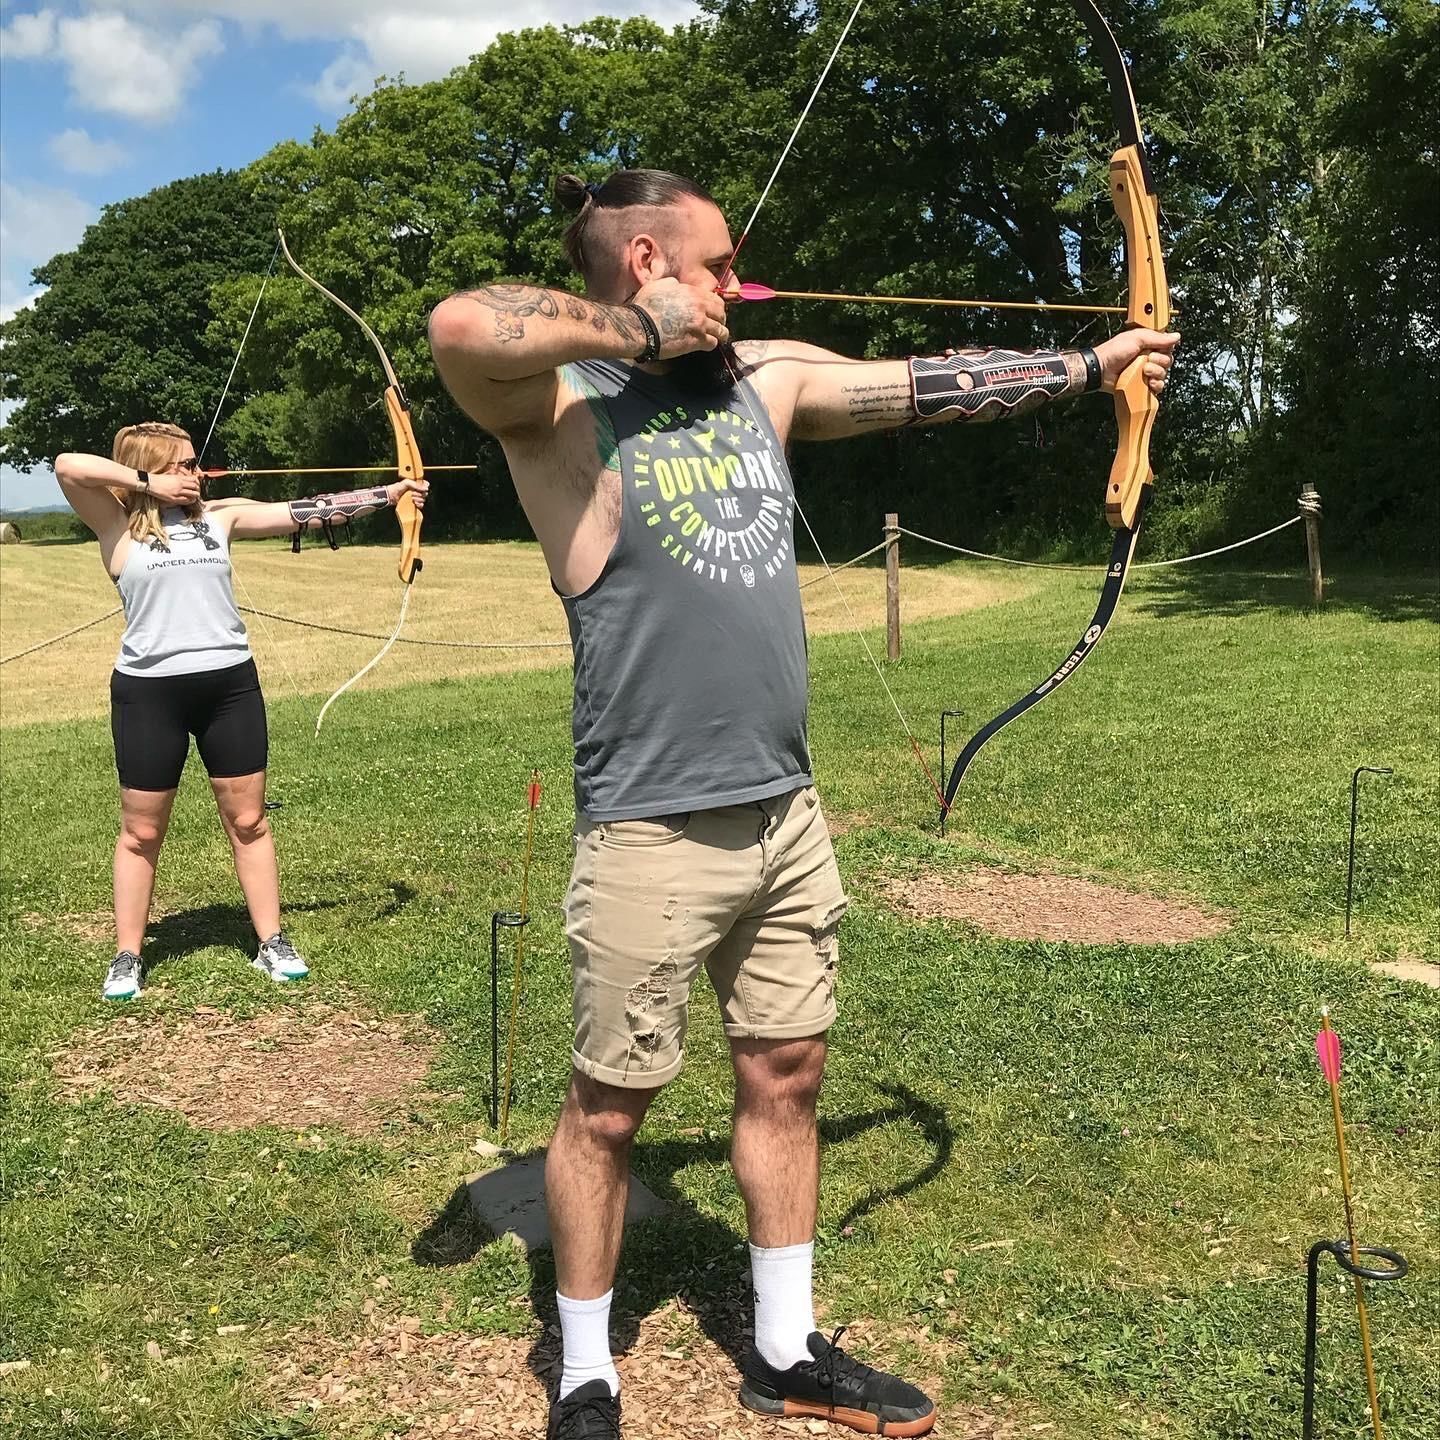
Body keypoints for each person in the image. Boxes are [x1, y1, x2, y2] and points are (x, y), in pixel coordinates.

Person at [428, 169, 1178, 1440]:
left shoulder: (761, 381)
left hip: (785, 816)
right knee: (609, 1108)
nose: (739, 285)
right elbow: (460, 324)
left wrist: (1094, 366)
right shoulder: (560, 407)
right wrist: (635, 331)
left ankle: (782, 1351)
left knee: (788, 1071)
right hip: (650, 826)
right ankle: (588, 1369)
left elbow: (918, 386)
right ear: (649, 259)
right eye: (719, 266)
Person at [54, 423, 428, 1001]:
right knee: (141, 830)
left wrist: (388, 495)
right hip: (150, 693)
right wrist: (149, 483)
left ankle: (271, 941)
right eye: (183, 464)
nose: (195, 473)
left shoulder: (219, 518)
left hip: (230, 686)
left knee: (249, 822)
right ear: (149, 469)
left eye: (194, 463)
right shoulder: (114, 525)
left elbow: (302, 511)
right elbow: (67, 464)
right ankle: (128, 954)